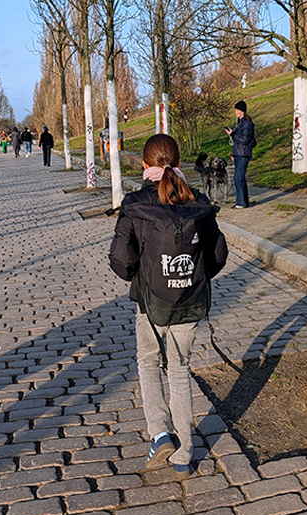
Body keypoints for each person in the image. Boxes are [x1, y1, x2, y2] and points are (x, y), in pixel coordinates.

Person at [108, 134, 229, 480]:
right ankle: (185, 453)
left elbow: (120, 257)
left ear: (145, 165)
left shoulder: (135, 203)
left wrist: (139, 277)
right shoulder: (197, 200)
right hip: (189, 302)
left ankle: (160, 434)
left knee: (147, 363)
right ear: (178, 161)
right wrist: (195, 277)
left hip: (151, 303)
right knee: (179, 369)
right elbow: (218, 254)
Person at [225, 100, 256, 209]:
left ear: (242, 111)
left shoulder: (246, 124)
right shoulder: (239, 124)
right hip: (239, 153)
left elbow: (244, 140)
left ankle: (241, 202)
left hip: (243, 154)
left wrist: (232, 134)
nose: (235, 112)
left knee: (238, 178)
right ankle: (243, 201)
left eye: (237, 110)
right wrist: (234, 153)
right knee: (240, 178)